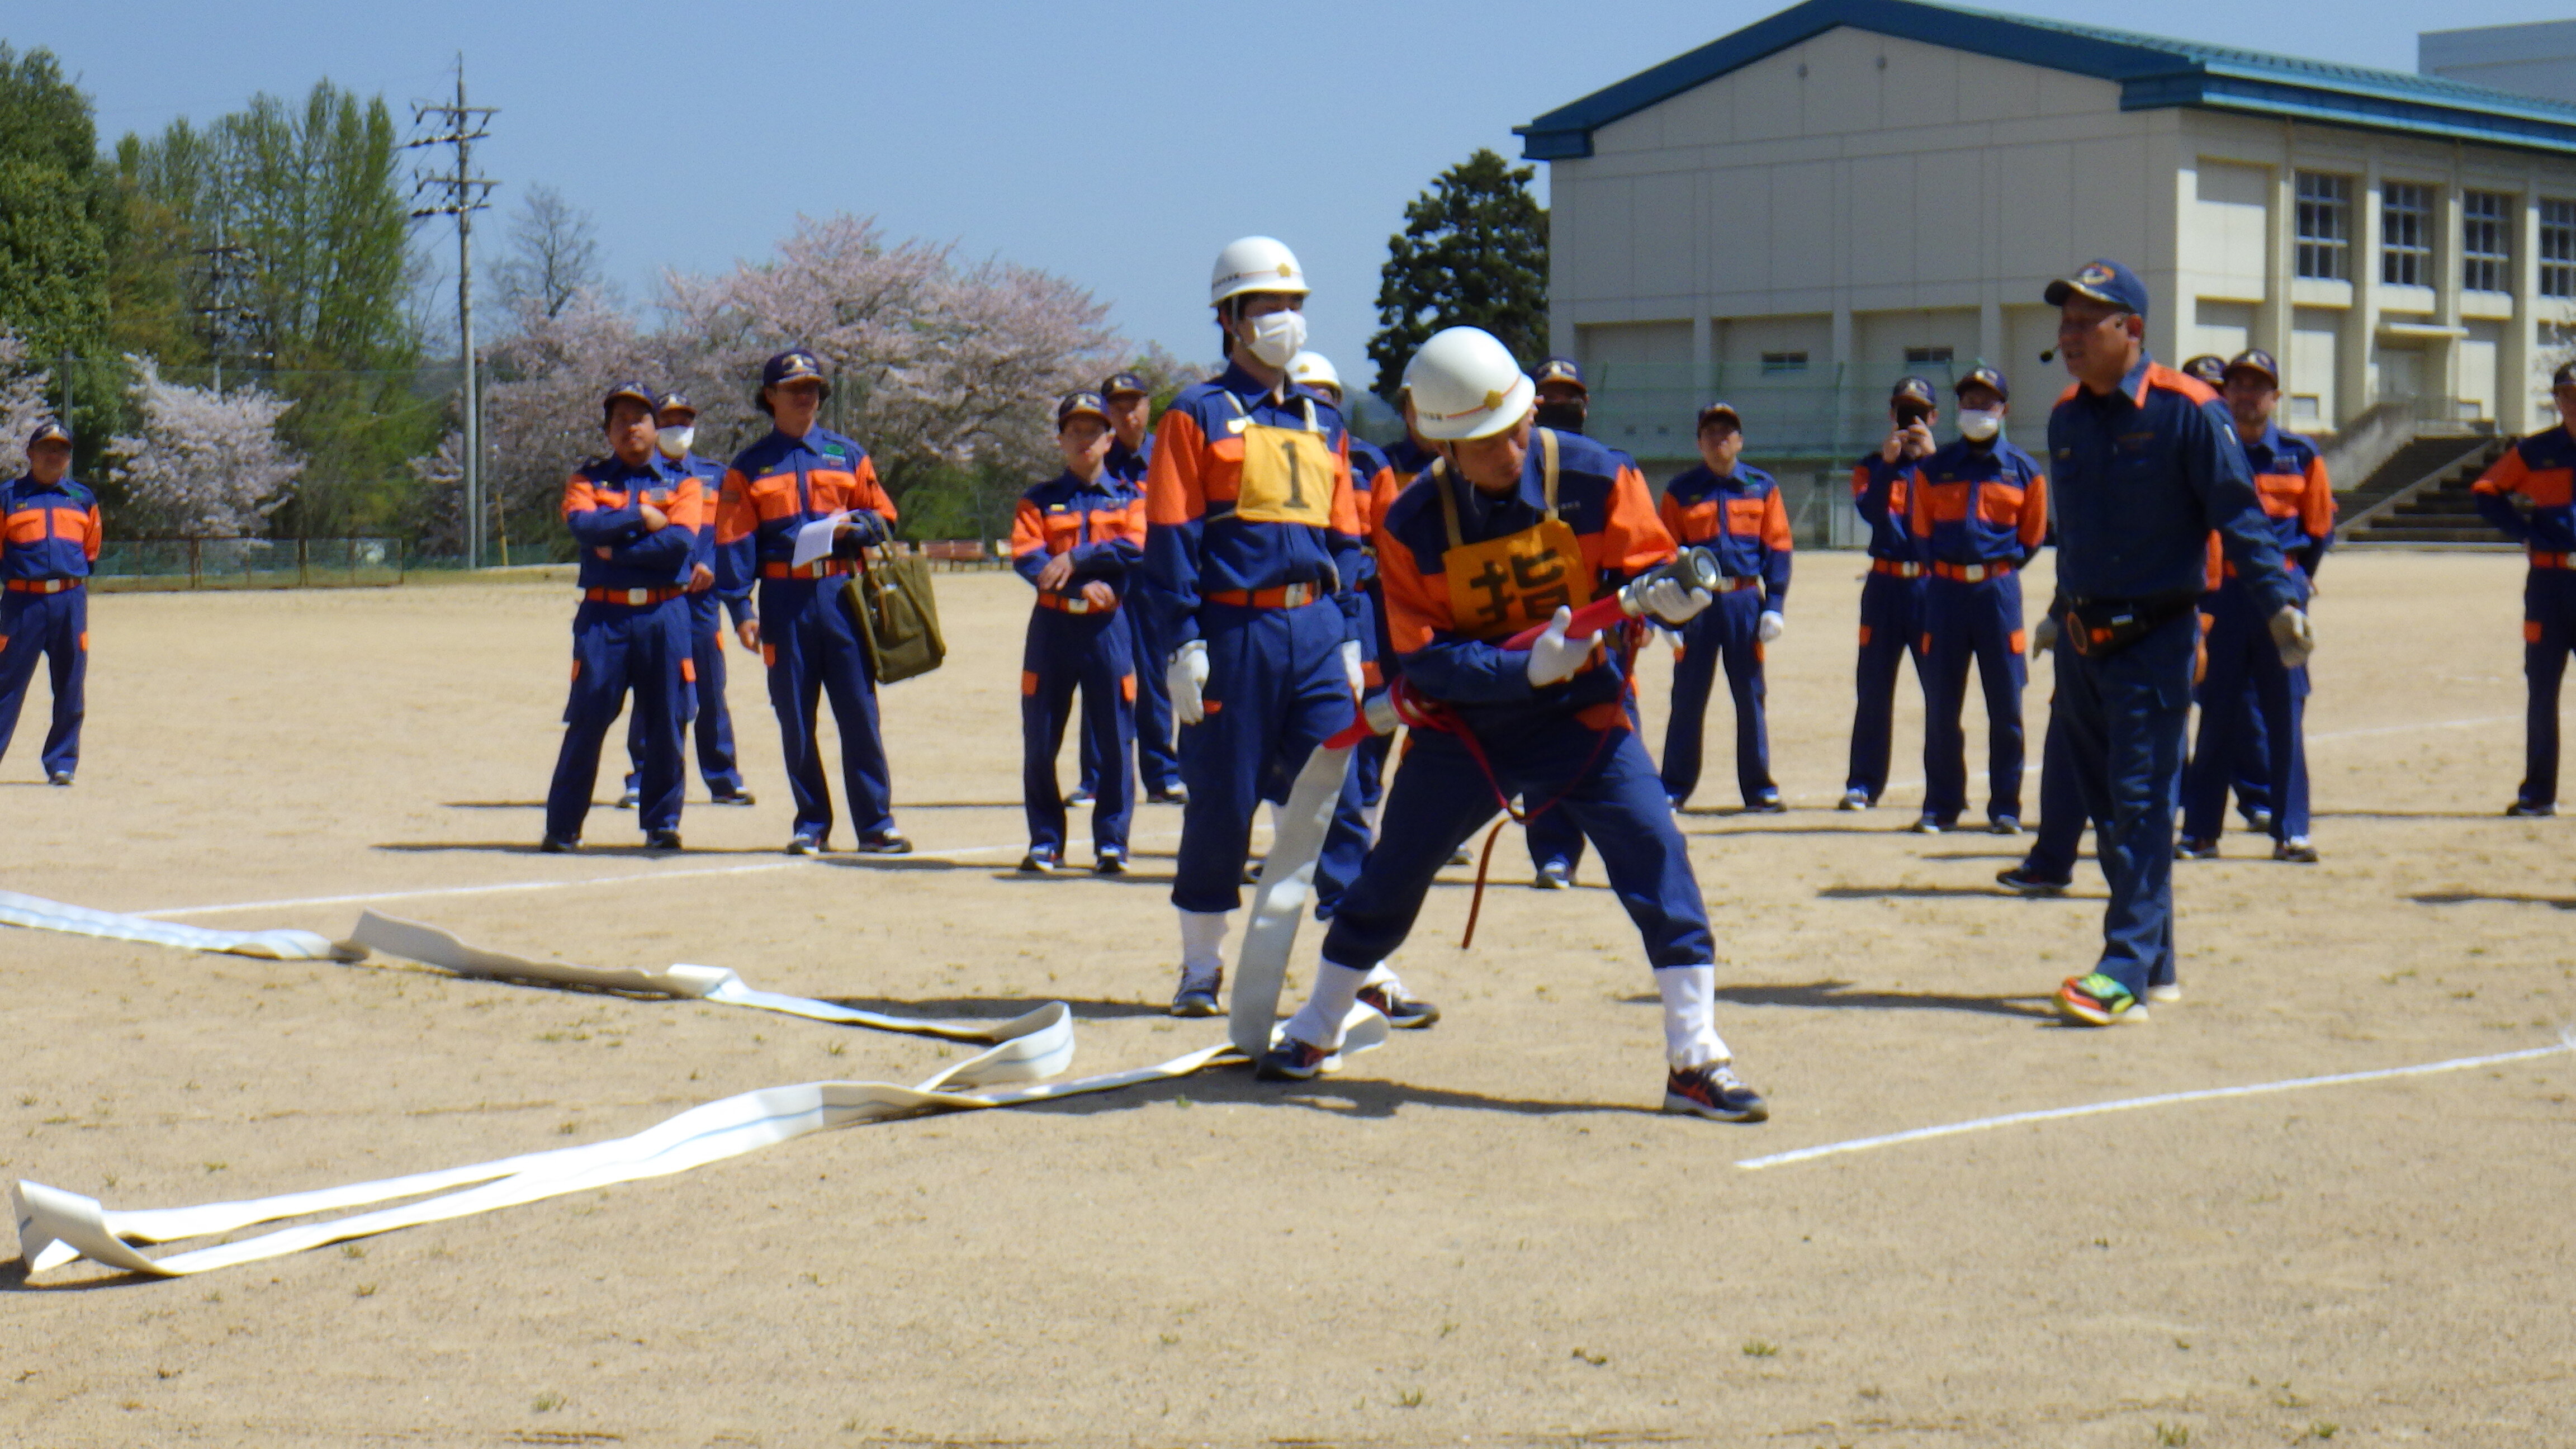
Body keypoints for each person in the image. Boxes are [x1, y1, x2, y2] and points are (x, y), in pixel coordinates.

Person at [1252, 325, 1766, 1124]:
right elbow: (1423, 659)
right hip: (1468, 729)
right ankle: (1319, 1023)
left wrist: (1670, 599)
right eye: (1493, 439)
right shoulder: (1411, 523)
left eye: (1523, 422)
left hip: (1584, 716)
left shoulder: (1600, 477)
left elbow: (1649, 569)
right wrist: (1518, 670)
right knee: (1393, 872)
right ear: (1445, 444)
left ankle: (1695, 1056)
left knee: (1656, 851)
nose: (1517, 446)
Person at [1141, 238, 1433, 1027]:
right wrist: (1181, 642)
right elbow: (1171, 537)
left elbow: (1345, 537)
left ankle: (1363, 966)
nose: (1285, 320)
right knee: (1221, 803)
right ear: (1231, 319)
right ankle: (1201, 965)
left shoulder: (1323, 419)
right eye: (1269, 306)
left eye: (1295, 305)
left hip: (1313, 632)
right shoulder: (1192, 417)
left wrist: (1346, 635)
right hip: (1233, 635)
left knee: (1337, 804)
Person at [2041, 259, 2309, 1026]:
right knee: (2109, 809)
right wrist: (2059, 612)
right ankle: (2157, 963)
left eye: (2087, 323)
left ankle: (2121, 965)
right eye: (2065, 323)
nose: (2071, 336)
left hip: (2156, 639)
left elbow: (2240, 514)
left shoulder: (2192, 410)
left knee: (2141, 803)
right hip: (2084, 640)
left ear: (2133, 331)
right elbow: (2079, 535)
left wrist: (2279, 605)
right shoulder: (2066, 417)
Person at [715, 349, 911, 856]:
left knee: (860, 713)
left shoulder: (848, 455)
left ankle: (876, 824)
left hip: (843, 596)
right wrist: (742, 611)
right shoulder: (749, 467)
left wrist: (858, 526)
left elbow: (883, 516)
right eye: (794, 388)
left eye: (813, 388)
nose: (806, 396)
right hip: (785, 600)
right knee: (796, 718)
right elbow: (734, 542)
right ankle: (811, 823)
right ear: (770, 397)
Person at [2179, 348, 2331, 863]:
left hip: (2277, 595)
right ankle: (2201, 832)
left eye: (2258, 386)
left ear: (2276, 396)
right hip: (2220, 597)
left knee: (2284, 711)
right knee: (2217, 712)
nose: (2246, 395)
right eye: (2238, 386)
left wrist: (2297, 583)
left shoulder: (2301, 455)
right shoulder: (2207, 449)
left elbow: (2317, 530)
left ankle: (2291, 830)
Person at [542, 383, 702, 854]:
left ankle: (662, 823)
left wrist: (617, 544)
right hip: (603, 617)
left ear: (657, 427)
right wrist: (646, 515)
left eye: (640, 417)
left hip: (663, 612)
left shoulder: (684, 481)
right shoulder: (587, 480)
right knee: (588, 717)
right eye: (619, 419)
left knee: (667, 722)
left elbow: (679, 544)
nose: (630, 427)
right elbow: (583, 527)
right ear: (607, 431)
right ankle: (564, 826)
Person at [1521, 356, 1648, 887]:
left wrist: (1631, 610)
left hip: (1603, 624)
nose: (1558, 404)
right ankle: (1554, 852)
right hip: (1539, 626)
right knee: (1542, 737)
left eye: (1568, 394)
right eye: (1548, 395)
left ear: (1586, 405)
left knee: (1617, 736)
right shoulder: (1511, 471)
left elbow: (1637, 548)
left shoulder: (1610, 466)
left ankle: (1631, 851)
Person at [1907, 364, 2047, 835]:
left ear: (2003, 409)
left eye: (1987, 402)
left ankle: (2005, 806)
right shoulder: (1933, 468)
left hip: (1997, 593)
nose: (1977, 410)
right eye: (1969, 401)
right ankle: (1943, 804)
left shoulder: (2025, 471)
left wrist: (1995, 569)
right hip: (1944, 592)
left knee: (2006, 703)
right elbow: (1921, 531)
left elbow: (2032, 536)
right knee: (1942, 703)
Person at [1013, 391, 1147, 874]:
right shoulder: (1039, 500)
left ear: (1110, 438)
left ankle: (1112, 842)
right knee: (1040, 740)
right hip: (1052, 630)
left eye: (1094, 430)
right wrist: (1080, 588)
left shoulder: (1133, 498)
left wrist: (1076, 558)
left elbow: (1135, 547)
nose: (1084, 440)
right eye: (1075, 431)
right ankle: (1046, 841)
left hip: (1108, 630)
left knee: (1116, 738)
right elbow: (1029, 559)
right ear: (1060, 439)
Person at [619, 391, 754, 809]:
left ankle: (723, 777)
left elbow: (730, 531)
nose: (679, 430)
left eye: (686, 421)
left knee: (712, 687)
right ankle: (643, 775)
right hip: (659, 598)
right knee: (654, 687)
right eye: (670, 421)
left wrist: (711, 564)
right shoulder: (639, 477)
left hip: (702, 601)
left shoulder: (718, 476)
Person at [1656, 401, 1791, 813]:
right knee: (1688, 697)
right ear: (1699, 442)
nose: (1720, 440)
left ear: (1740, 440)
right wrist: (1668, 616)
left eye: (1727, 432)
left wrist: (1775, 605)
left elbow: (1778, 546)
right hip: (1697, 605)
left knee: (1750, 695)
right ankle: (1674, 787)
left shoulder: (1761, 487)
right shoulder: (1680, 491)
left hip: (1744, 602)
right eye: (1711, 433)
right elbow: (1664, 553)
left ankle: (1758, 787)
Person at [1076, 369, 1186, 808]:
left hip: (1160, 582)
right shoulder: (1099, 458)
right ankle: (1096, 779)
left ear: (1148, 407)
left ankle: (1161, 776)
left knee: (1156, 680)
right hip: (1113, 583)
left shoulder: (1169, 454)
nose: (1127, 413)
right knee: (1103, 677)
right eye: (1117, 405)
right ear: (1106, 412)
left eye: (1134, 403)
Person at [2473, 361, 2576, 818]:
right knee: (2541, 691)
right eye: (2568, 394)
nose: (2575, 402)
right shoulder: (2536, 451)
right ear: (2556, 400)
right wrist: (2523, 534)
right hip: (2549, 584)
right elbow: (2486, 489)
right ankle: (2539, 793)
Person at [1840, 376, 1938, 812]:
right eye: (1903, 411)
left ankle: (1942, 786)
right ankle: (1864, 782)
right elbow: (1870, 510)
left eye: (1919, 412)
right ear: (1891, 414)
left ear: (1934, 418)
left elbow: (1944, 518)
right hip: (1883, 585)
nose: (1910, 420)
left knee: (1940, 690)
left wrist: (1929, 462)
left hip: (1928, 586)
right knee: (1874, 688)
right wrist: (1888, 463)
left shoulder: (1945, 468)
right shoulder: (1871, 465)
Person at [0, 419, 98, 785]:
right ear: (30, 453)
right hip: (22, 605)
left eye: (61, 450)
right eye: (47, 448)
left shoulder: (82, 499)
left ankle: (62, 763)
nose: (54, 456)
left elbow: (91, 552)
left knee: (71, 685)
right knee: (5, 685)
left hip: (70, 602)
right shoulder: (8, 497)